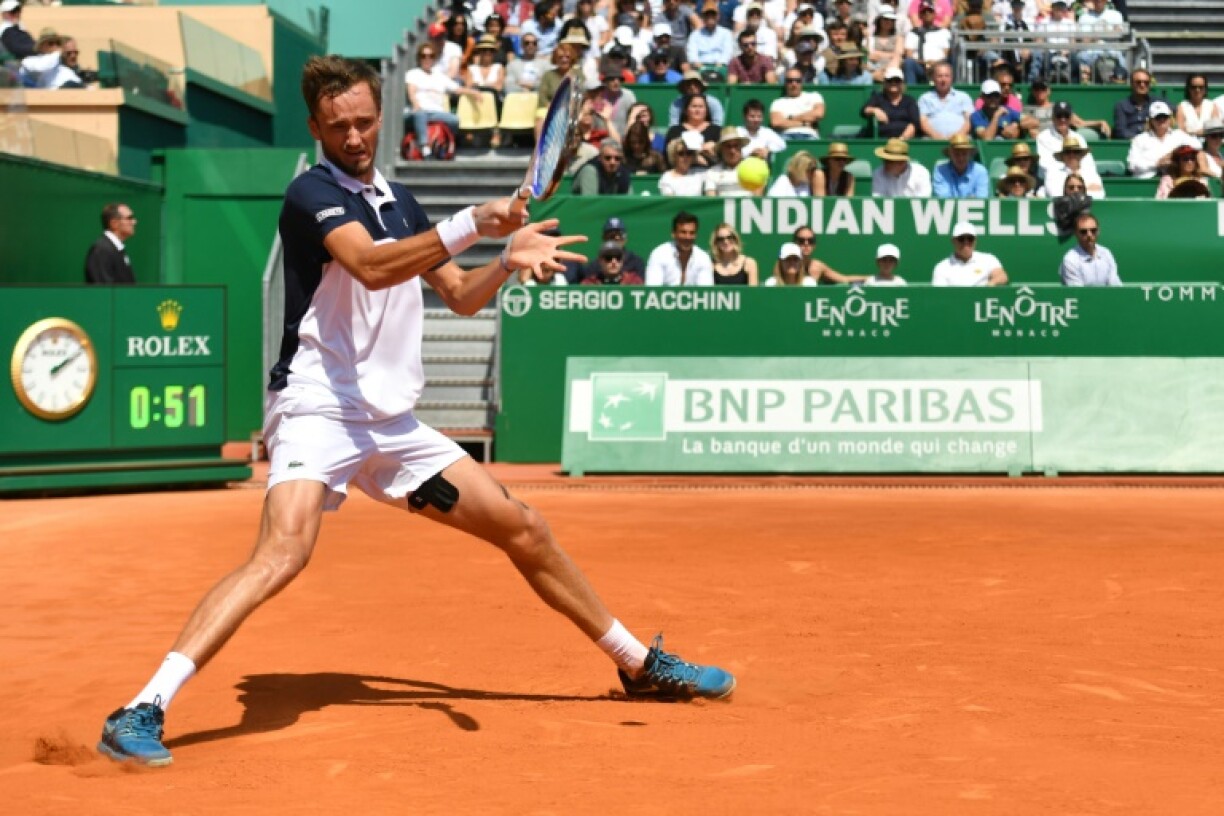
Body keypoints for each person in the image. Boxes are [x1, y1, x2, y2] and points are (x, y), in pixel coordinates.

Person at [96, 55, 735, 768]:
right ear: (315, 128)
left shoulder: (400, 200)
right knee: (284, 551)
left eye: (366, 121)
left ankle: (637, 665)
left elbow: (459, 293)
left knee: (524, 528)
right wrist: (472, 221)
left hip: (393, 426)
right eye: (338, 126)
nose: (356, 137)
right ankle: (142, 707)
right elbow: (369, 265)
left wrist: (505, 259)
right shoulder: (309, 193)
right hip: (318, 408)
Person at [405, 42, 480, 160]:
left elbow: (456, 89)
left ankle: (445, 145)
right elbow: (411, 92)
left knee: (455, 120)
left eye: (430, 56)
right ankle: (425, 149)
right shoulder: (413, 74)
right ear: (419, 58)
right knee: (420, 115)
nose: (427, 59)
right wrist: (416, 104)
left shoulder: (439, 76)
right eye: (423, 56)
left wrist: (473, 92)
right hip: (419, 111)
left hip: (436, 112)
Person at [1127, 100, 1201, 179]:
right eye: (1158, 117)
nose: (1162, 120)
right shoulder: (1140, 139)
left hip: (1172, 180)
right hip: (1147, 181)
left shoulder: (1178, 135)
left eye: (1165, 117)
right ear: (1151, 120)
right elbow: (1132, 165)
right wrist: (1157, 163)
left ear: (1169, 118)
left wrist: (1173, 153)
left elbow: (1198, 145)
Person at [645, 210, 714, 285]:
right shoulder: (659, 254)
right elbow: (652, 290)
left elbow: (705, 292)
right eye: (683, 232)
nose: (688, 237)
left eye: (692, 233)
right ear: (673, 234)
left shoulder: (703, 258)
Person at [931, 222, 1008, 286]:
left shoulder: (988, 259)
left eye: (970, 238)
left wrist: (989, 286)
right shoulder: (941, 268)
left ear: (975, 241)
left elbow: (1001, 276)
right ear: (953, 241)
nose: (966, 242)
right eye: (961, 239)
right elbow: (941, 295)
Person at [1059, 212, 1121, 286]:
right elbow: (1077, 293)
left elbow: (1116, 287)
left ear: (1098, 231)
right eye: (1083, 232)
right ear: (1076, 233)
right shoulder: (1070, 260)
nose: (1089, 234)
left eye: (1093, 230)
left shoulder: (1106, 253)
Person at [860, 67, 921, 139]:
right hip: (881, 138)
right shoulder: (878, 98)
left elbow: (915, 122)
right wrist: (874, 110)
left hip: (904, 140)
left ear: (902, 83)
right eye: (890, 80)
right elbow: (864, 110)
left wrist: (902, 139)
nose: (893, 83)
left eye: (897, 80)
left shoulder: (909, 101)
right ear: (885, 83)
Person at [84, 203, 137, 285]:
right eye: (129, 218)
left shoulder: (116, 249)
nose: (134, 222)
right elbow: (104, 292)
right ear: (114, 223)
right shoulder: (101, 250)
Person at [917, 61, 972, 139]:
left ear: (951, 78)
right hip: (932, 140)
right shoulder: (925, 98)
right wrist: (937, 136)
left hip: (960, 140)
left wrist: (958, 136)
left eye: (947, 76)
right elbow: (923, 121)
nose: (943, 79)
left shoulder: (963, 97)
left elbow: (968, 120)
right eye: (940, 76)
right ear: (933, 78)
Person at [902, 1, 951, 85]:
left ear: (934, 14)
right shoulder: (913, 33)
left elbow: (946, 53)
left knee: (946, 63)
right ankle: (912, 90)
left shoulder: (943, 32)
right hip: (920, 65)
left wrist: (934, 63)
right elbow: (909, 54)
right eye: (924, 12)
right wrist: (923, 63)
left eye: (930, 11)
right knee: (908, 62)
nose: (927, 14)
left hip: (938, 65)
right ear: (920, 15)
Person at [664, 93, 720, 167]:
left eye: (701, 107)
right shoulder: (675, 131)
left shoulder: (717, 130)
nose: (697, 110)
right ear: (686, 110)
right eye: (694, 106)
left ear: (706, 110)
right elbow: (669, 155)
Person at [794, 227, 865, 283]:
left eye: (810, 241)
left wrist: (872, 278)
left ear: (814, 245)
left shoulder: (817, 266)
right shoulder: (785, 264)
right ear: (794, 243)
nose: (806, 244)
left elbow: (844, 279)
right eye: (801, 241)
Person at [771, 69, 826, 139]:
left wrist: (790, 119)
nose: (794, 84)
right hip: (787, 136)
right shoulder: (778, 102)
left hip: (809, 135)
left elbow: (818, 114)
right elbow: (777, 122)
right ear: (785, 83)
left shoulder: (814, 96)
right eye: (790, 81)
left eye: (798, 81)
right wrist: (804, 123)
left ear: (802, 82)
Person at [932, 134, 989, 198]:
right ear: (950, 155)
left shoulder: (980, 171)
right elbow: (943, 199)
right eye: (956, 154)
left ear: (970, 154)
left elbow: (982, 199)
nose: (961, 158)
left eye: (964, 154)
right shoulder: (940, 171)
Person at [703, 126, 754, 197]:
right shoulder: (712, 172)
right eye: (728, 146)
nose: (732, 151)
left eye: (736, 146)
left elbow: (758, 199)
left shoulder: (752, 168)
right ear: (721, 149)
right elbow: (711, 201)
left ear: (741, 147)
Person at [1113, 68, 1161, 141]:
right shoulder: (1122, 105)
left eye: (1146, 82)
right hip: (1130, 143)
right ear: (1132, 84)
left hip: (1154, 142)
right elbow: (1120, 131)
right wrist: (1139, 139)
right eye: (1138, 82)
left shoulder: (1157, 103)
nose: (1142, 85)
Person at [686, 1, 734, 73]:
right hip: (700, 66)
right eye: (707, 15)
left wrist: (721, 63)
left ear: (718, 16)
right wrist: (697, 63)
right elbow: (692, 54)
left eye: (713, 15)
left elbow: (727, 52)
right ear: (703, 17)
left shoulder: (726, 33)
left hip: (720, 66)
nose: (710, 17)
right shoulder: (695, 35)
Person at [865, 6, 904, 82]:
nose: (889, 22)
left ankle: (888, 76)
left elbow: (898, 54)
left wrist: (878, 53)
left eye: (891, 20)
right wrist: (890, 54)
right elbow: (868, 54)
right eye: (885, 19)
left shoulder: (898, 37)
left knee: (897, 59)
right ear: (879, 20)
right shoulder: (870, 37)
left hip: (891, 68)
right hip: (873, 68)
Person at [580, 240, 646, 284]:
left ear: (622, 260)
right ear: (600, 261)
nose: (614, 262)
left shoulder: (633, 281)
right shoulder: (590, 283)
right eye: (608, 258)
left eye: (618, 257)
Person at [1176, 74, 1218, 138]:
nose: (1197, 90)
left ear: (1205, 89)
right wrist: (1197, 133)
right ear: (1189, 89)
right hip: (1188, 144)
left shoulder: (1212, 106)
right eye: (1194, 87)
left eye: (1201, 87)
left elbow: (1215, 128)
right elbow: (1180, 130)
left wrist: (1202, 132)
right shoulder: (1182, 106)